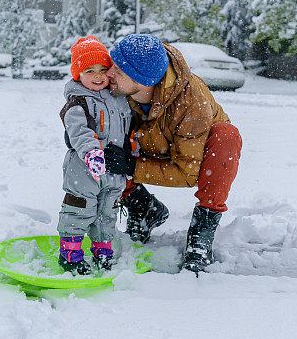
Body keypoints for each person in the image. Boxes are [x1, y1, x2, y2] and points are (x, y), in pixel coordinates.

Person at [103, 34, 242, 273]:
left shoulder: (192, 103)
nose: (108, 75)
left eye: (118, 71)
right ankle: (143, 207)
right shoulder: (116, 89)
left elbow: (188, 174)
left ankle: (201, 234)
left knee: (226, 136)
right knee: (100, 146)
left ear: (142, 80)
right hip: (144, 144)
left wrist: (131, 167)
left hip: (191, 153)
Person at [57, 35, 133, 274]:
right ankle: (70, 253)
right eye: (90, 71)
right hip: (83, 168)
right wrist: (91, 153)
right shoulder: (77, 101)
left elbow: (128, 130)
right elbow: (78, 131)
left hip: (112, 169)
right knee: (79, 209)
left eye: (102, 69)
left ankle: (102, 251)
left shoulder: (118, 98)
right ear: (78, 74)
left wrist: (133, 156)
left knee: (106, 212)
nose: (98, 76)